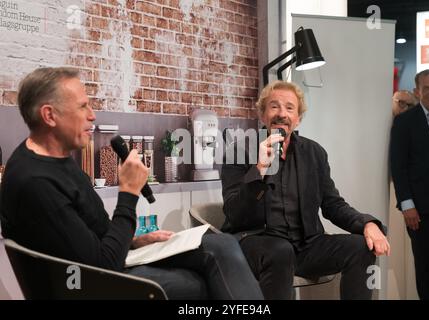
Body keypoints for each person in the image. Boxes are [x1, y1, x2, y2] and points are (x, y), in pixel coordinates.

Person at [0, 67, 264, 300]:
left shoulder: (57, 158)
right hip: (93, 285)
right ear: (50, 115)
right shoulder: (35, 181)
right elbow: (103, 265)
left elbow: (94, 233)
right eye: (83, 106)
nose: (92, 115)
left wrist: (136, 241)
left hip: (108, 265)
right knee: (204, 283)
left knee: (222, 244)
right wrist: (128, 192)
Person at [221, 80, 390, 300]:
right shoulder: (241, 150)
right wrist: (259, 169)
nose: (282, 113)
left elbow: (333, 205)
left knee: (360, 247)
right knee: (280, 250)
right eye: (274, 106)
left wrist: (367, 223)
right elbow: (235, 213)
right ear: (262, 115)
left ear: (298, 118)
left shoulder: (314, 153)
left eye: (290, 108)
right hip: (258, 242)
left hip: (307, 246)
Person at [390, 69, 429, 300]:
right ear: (418, 91)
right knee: (425, 263)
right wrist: (407, 205)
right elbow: (399, 166)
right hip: (420, 206)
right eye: (427, 88)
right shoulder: (405, 122)